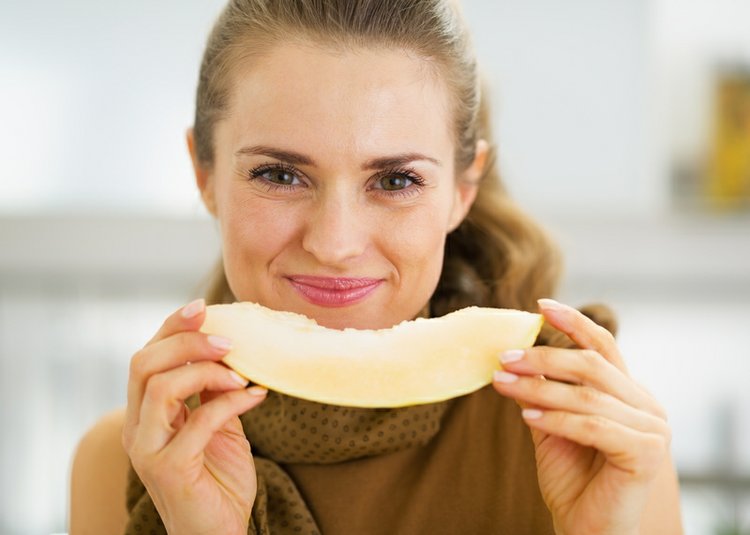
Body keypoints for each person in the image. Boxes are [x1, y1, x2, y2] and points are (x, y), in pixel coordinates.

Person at [70, 0, 683, 533]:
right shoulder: (121, 462)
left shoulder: (601, 449)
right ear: (204, 176)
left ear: (463, 189)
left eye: (395, 180)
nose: (336, 243)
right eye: (279, 175)